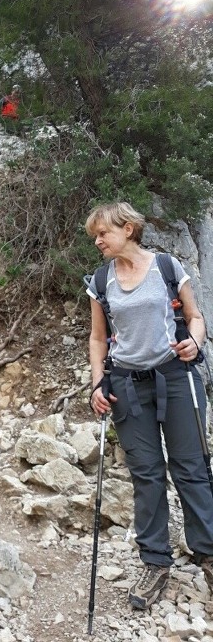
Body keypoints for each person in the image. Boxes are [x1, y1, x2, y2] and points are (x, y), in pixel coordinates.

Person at [85, 202, 213, 610]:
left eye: (103, 233)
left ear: (128, 228)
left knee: (191, 468)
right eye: (95, 237)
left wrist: (195, 341)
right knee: (147, 475)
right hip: (126, 385)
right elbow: (97, 338)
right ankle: (156, 561)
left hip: (176, 376)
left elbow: (195, 318)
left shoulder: (167, 267)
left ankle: (207, 551)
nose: (98, 241)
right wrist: (96, 383)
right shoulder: (101, 280)